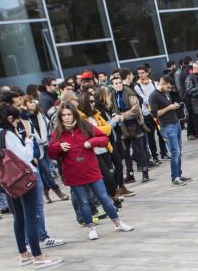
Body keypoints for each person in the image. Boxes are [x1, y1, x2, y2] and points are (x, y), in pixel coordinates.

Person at [0, 103, 62, 268]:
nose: (16, 124)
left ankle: (24, 253)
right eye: (15, 121)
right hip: (23, 178)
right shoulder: (7, 134)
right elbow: (25, 156)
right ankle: (38, 256)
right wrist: (28, 139)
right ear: (9, 118)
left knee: (18, 217)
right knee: (30, 217)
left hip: (7, 180)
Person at [49, 102, 134, 241]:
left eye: (69, 114)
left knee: (104, 198)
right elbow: (51, 154)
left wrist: (92, 142)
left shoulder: (85, 126)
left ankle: (118, 223)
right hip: (73, 174)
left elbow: (104, 138)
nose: (66, 118)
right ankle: (91, 228)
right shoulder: (57, 132)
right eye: (63, 115)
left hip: (91, 170)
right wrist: (58, 147)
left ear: (74, 114)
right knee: (83, 202)